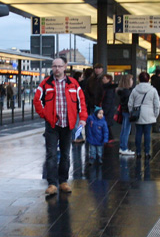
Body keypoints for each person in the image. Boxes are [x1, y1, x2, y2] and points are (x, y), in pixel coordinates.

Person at [34, 57, 87, 197]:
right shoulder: (45, 83)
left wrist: (82, 118)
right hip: (52, 125)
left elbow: (81, 101)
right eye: (54, 66)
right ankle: (52, 184)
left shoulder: (73, 84)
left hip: (67, 124)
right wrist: (45, 115)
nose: (56, 69)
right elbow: (37, 100)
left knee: (65, 154)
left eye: (59, 66)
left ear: (65, 67)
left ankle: (63, 181)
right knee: (51, 154)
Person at [128, 71, 160, 159]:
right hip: (149, 114)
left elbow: (130, 103)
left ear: (139, 79)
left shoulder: (135, 90)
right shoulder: (153, 90)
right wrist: (155, 114)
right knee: (147, 134)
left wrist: (132, 112)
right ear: (148, 79)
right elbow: (157, 104)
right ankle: (147, 152)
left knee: (138, 133)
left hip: (138, 114)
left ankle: (138, 152)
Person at [116, 74, 135, 155]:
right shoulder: (127, 92)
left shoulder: (121, 91)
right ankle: (124, 148)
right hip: (127, 112)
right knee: (126, 130)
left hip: (124, 111)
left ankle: (122, 147)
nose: (132, 81)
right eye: (131, 80)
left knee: (124, 130)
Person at [99, 73, 117, 140]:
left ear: (108, 79)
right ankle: (109, 138)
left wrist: (104, 110)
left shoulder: (108, 89)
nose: (103, 80)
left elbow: (108, 100)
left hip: (107, 110)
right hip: (108, 109)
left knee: (106, 124)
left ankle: (109, 138)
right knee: (106, 124)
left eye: (104, 78)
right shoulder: (107, 88)